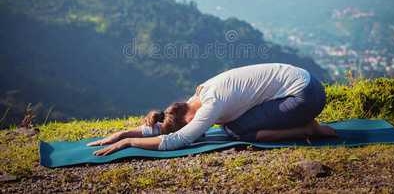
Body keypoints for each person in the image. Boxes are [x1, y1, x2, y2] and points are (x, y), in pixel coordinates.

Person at [88, 63, 338, 155]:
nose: (202, 130)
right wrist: (125, 133)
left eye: (198, 127)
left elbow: (175, 140)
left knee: (237, 130)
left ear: (191, 119)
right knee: (231, 125)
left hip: (306, 96)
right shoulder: (195, 97)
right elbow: (164, 125)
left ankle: (307, 129)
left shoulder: (210, 105)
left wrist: (130, 144)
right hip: (302, 81)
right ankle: (305, 125)